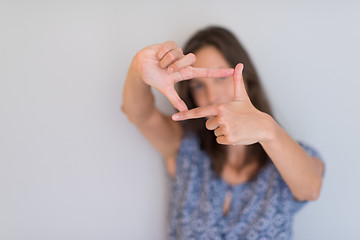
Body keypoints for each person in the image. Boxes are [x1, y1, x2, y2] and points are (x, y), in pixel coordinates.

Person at [122, 26, 325, 239]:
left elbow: (311, 189)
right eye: (198, 85)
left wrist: (267, 129)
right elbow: (140, 116)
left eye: (221, 77)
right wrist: (139, 68)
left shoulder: (287, 154)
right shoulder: (185, 147)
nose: (212, 95)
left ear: (247, 79)